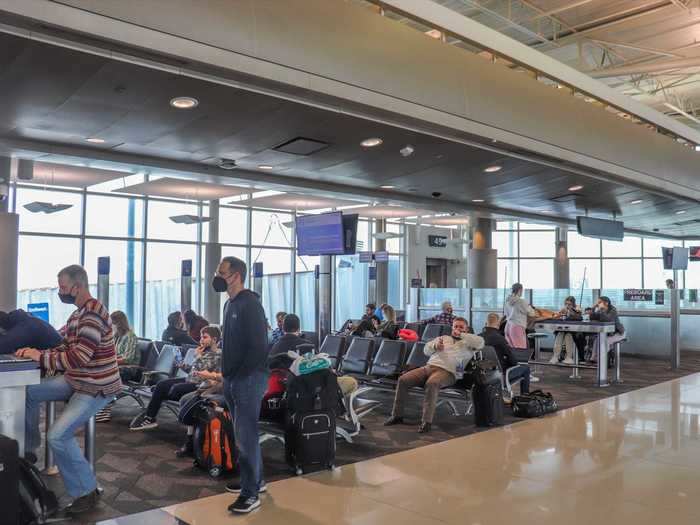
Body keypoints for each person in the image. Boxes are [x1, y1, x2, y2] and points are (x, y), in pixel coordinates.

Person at [18, 265, 121, 515]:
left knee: (57, 436)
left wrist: (39, 358)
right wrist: (38, 353)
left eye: (63, 287)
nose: (61, 292)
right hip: (77, 379)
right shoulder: (77, 315)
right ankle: (28, 452)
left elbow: (78, 357)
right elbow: (63, 346)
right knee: (29, 391)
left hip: (96, 385)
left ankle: (87, 490)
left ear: (78, 286)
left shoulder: (93, 314)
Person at [213, 256, 269, 513]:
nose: (218, 275)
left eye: (222, 272)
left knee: (246, 437)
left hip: (247, 380)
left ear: (236, 275)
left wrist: (239, 376)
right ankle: (255, 480)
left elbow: (258, 348)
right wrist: (226, 375)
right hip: (233, 379)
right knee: (242, 436)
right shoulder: (230, 304)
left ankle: (250, 493)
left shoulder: (250, 304)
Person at [385, 317, 484, 433]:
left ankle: (426, 422)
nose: (457, 329)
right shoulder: (443, 338)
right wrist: (435, 346)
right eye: (455, 326)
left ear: (467, 329)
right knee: (403, 379)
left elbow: (481, 342)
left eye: (461, 327)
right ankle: (397, 415)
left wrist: (462, 335)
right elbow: (426, 350)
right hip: (429, 367)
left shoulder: (470, 344)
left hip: (449, 372)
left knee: (432, 383)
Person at [130, 326, 222, 431]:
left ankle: (158, 393)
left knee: (173, 389)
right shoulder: (204, 351)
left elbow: (202, 373)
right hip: (189, 379)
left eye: (205, 337)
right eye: (201, 337)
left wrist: (198, 357)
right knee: (161, 385)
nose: (201, 340)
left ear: (214, 339)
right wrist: (183, 366)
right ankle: (150, 418)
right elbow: (193, 370)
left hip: (200, 385)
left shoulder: (218, 355)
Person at [269, 314, 358, 396]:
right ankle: (337, 410)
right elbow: (321, 368)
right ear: (298, 328)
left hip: (283, 389)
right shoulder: (306, 346)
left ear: (283, 328)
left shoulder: (274, 347)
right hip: (308, 388)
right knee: (351, 382)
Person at [95, 310, 140, 422]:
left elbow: (127, 359)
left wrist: (109, 361)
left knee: (105, 375)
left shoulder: (130, 336)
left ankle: (105, 408)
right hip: (117, 367)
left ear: (119, 323)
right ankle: (100, 407)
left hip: (130, 369)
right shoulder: (117, 336)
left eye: (112, 324)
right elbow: (112, 353)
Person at [481, 313, 530, 400]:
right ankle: (525, 398)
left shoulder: (478, 337)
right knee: (526, 368)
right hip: (500, 376)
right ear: (498, 324)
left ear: (486, 323)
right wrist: (515, 363)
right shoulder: (500, 338)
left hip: (482, 375)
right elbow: (512, 360)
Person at [589, 296, 625, 362]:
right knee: (597, 340)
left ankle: (603, 359)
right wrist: (593, 307)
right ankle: (594, 358)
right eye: (598, 303)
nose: (598, 304)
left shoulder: (613, 310)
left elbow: (608, 320)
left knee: (605, 341)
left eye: (600, 302)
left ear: (606, 303)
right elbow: (592, 317)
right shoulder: (600, 310)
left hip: (618, 333)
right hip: (609, 334)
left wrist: (602, 310)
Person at [550, 296, 583, 365]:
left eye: (569, 304)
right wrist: (559, 314)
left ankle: (569, 357)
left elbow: (579, 317)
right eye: (566, 304)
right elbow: (557, 317)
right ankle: (556, 356)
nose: (567, 306)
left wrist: (570, 310)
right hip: (564, 329)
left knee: (568, 336)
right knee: (559, 334)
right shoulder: (564, 309)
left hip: (574, 330)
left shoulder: (577, 308)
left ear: (573, 304)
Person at [504, 283, 537, 351]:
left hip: (508, 326)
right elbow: (531, 313)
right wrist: (530, 307)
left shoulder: (507, 300)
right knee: (520, 349)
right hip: (518, 326)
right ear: (520, 290)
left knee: (512, 348)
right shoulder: (521, 301)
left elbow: (506, 313)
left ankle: (513, 362)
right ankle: (520, 361)